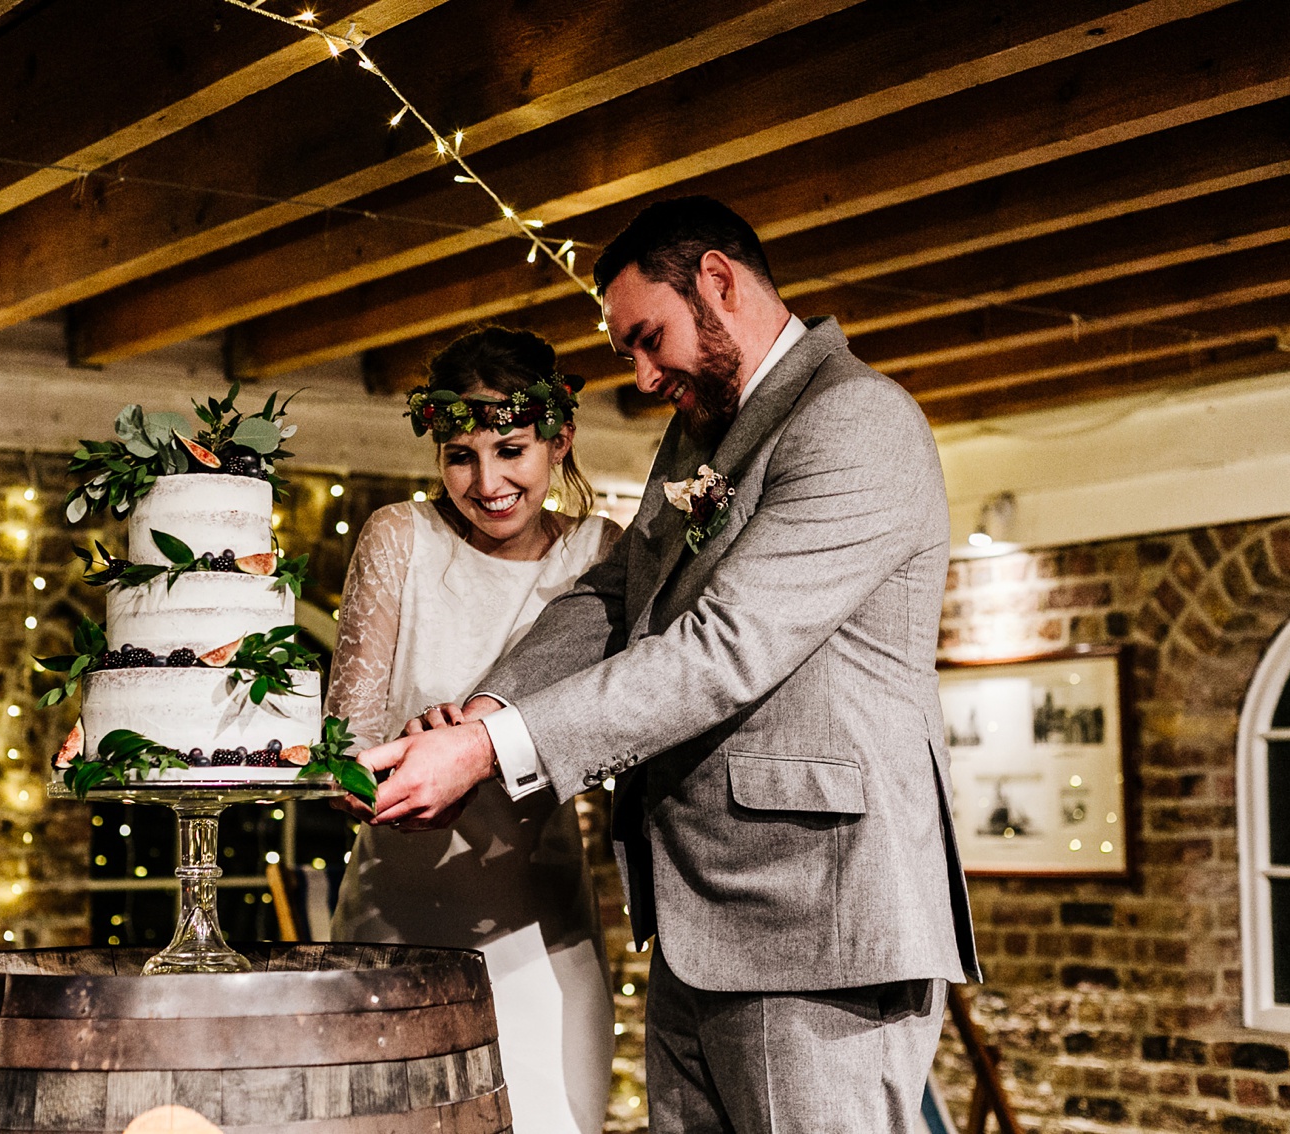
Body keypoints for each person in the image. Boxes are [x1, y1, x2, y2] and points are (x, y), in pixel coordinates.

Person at [359, 197, 981, 1133]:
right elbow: (616, 599)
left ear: (720, 283)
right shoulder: (700, 433)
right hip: (701, 921)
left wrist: (492, 751)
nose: (643, 376)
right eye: (628, 355)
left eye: (649, 339)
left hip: (818, 923)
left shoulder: (856, 419)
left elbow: (721, 649)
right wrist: (488, 706)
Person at [325, 326, 621, 1134]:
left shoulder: (603, 556)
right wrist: (396, 761)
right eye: (461, 455)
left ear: (561, 440)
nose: (487, 481)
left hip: (545, 931)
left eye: (512, 450)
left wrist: (483, 750)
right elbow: (338, 763)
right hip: (398, 925)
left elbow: (618, 731)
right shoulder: (398, 537)